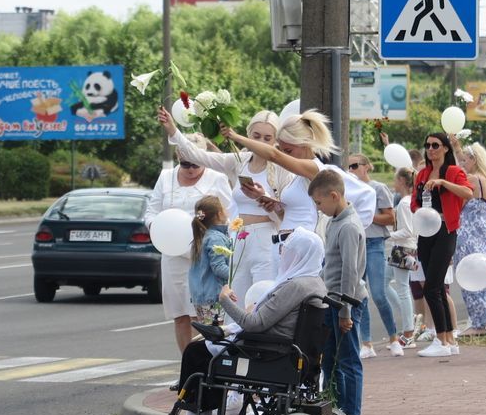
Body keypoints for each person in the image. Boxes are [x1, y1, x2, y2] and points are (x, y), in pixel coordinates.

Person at [152, 229, 329, 415]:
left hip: (268, 351)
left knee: (195, 353)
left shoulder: (296, 285)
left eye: (287, 250)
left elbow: (254, 323)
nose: (282, 253)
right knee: (203, 352)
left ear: (299, 254)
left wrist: (225, 300)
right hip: (281, 348)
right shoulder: (315, 283)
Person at [159, 106, 284, 307]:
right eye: (256, 136)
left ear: (276, 140)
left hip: (266, 239)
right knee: (236, 303)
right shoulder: (240, 160)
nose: (260, 142)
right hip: (240, 238)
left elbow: (287, 214)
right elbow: (199, 156)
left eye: (267, 138)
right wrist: (173, 130)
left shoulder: (280, 167)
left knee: (260, 302)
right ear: (249, 134)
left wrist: (265, 200)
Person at [144, 140, 235, 351]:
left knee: (201, 314)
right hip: (173, 255)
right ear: (178, 158)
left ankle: (205, 367)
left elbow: (229, 215)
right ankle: (187, 368)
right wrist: (157, 229)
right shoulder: (166, 178)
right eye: (186, 164)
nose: (191, 169)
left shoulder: (217, 178)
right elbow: (151, 213)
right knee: (180, 315)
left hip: (203, 256)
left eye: (196, 164)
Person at [222, 112, 376, 238]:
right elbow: (288, 215)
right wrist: (273, 205)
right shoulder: (297, 175)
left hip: (304, 248)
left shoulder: (314, 168)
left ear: (304, 144)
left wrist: (236, 137)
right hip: (287, 246)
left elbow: (274, 156)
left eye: (288, 151)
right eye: (282, 150)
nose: (285, 156)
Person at [310, 170, 367, 415]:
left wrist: (345, 313)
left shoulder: (348, 226)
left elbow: (350, 273)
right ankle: (333, 410)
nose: (319, 209)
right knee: (330, 361)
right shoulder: (335, 221)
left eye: (320, 203)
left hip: (346, 304)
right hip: (332, 300)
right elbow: (329, 265)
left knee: (348, 362)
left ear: (334, 195)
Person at [413, 132, 474, 357]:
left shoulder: (454, 172)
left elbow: (469, 192)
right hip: (425, 231)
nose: (430, 149)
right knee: (435, 287)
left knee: (431, 286)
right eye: (427, 145)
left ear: (446, 148)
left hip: (446, 229)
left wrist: (443, 182)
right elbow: (414, 201)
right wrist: (419, 211)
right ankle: (448, 340)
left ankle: (442, 340)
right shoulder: (422, 174)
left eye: (435, 145)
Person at [347, 154, 402, 358]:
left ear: (367, 166)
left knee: (379, 293)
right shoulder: (347, 190)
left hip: (374, 243)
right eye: (348, 166)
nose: (351, 170)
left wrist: (367, 215)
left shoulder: (377, 188)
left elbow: (390, 217)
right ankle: (366, 342)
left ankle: (394, 337)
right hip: (355, 243)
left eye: (355, 165)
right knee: (359, 295)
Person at [452, 141, 486, 335]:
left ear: (474, 159)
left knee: (469, 274)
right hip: (483, 230)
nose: (462, 164)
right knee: (485, 274)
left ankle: (479, 322)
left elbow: (459, 205)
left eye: (465, 160)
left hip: (468, 232)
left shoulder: (471, 180)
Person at [188, 196, 232, 325]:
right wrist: (237, 274)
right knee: (219, 335)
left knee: (210, 336)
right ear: (219, 213)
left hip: (202, 296)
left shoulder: (202, 236)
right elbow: (218, 267)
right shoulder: (215, 238)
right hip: (214, 296)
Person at [387, 167, 418, 349]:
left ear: (402, 182)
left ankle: (408, 332)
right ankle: (408, 320)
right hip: (402, 248)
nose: (393, 182)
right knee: (386, 284)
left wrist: (388, 235)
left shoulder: (405, 204)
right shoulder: (407, 202)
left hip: (403, 249)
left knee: (402, 288)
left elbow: (408, 230)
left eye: (396, 179)